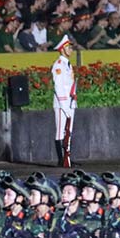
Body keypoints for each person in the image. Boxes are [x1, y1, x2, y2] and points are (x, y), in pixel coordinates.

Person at [52, 35, 77, 167]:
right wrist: (64, 105)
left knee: (69, 131)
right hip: (62, 104)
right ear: (62, 49)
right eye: (68, 47)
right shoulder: (59, 65)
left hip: (70, 102)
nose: (71, 50)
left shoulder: (67, 64)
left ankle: (67, 157)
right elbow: (58, 86)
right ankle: (61, 159)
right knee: (60, 130)